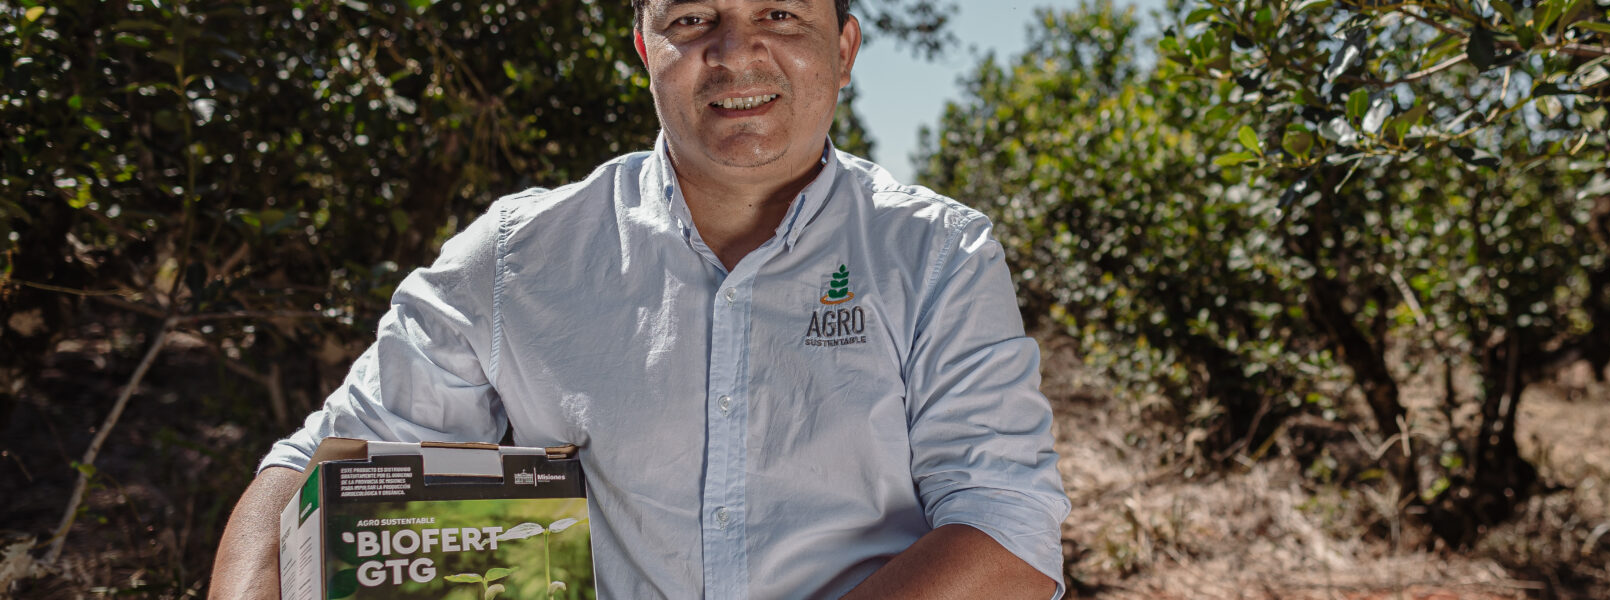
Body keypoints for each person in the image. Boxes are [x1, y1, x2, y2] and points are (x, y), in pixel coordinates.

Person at [206, 0, 1069, 598]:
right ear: (644, 48)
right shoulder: (518, 257)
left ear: (842, 49)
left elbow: (1008, 532)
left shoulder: (936, 252)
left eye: (780, 17)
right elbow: (313, 463)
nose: (735, 53)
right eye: (692, 21)